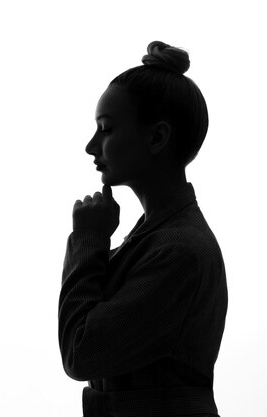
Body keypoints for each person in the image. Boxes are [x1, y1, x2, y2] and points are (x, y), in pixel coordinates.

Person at [58, 41, 228, 417]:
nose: (91, 146)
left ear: (157, 137)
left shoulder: (178, 250)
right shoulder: (156, 240)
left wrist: (89, 240)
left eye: (106, 129)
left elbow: (81, 352)